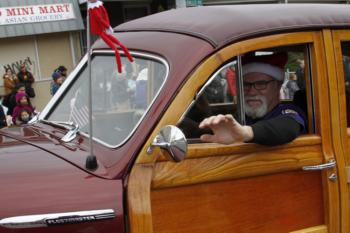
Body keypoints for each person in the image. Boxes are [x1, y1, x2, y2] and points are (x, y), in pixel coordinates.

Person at [199, 52, 307, 146]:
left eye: (261, 84)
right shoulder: (242, 115)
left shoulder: (288, 112)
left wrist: (246, 133)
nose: (252, 91)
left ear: (278, 86)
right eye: (246, 85)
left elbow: (288, 127)